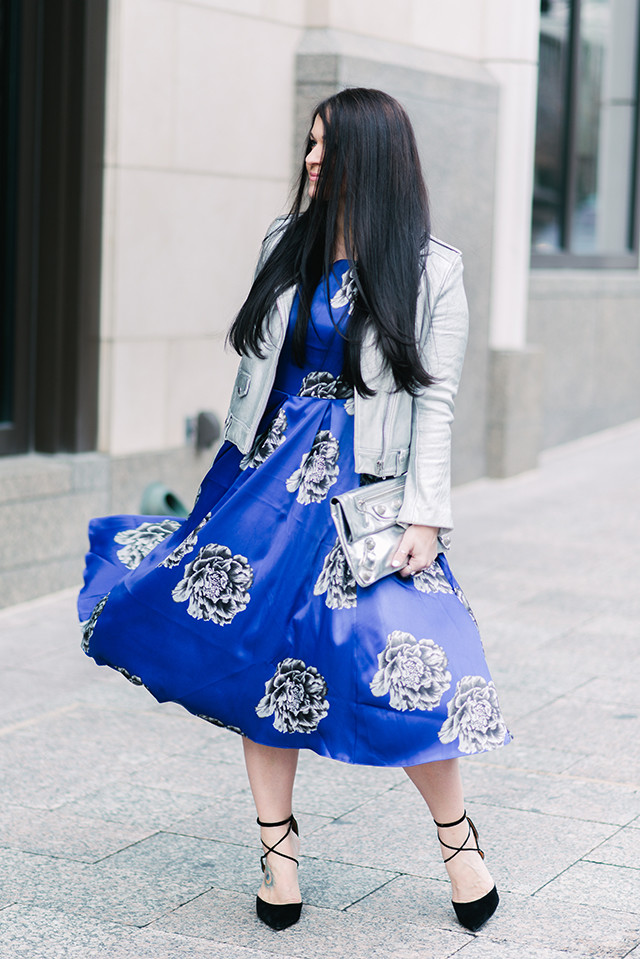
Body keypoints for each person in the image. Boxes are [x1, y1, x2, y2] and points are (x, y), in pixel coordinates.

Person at [78, 87, 510, 934]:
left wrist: (426, 518)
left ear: (371, 162)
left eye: (326, 148)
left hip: (371, 493)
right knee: (258, 660)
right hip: (270, 483)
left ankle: (458, 842)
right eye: (309, 144)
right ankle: (279, 855)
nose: (311, 160)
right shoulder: (288, 240)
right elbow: (258, 377)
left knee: (407, 656)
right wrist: (223, 483)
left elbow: (439, 401)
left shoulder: (432, 269)